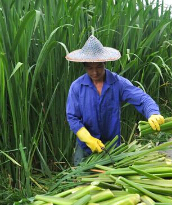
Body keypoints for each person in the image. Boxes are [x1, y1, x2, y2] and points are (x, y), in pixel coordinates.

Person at [65, 35, 165, 165]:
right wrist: (88, 138)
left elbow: (142, 98)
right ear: (84, 66)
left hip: (112, 148)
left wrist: (153, 113)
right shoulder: (77, 87)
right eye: (90, 68)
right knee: (83, 182)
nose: (95, 72)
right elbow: (72, 117)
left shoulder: (118, 83)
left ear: (105, 64)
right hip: (86, 148)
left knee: (110, 183)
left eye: (99, 67)